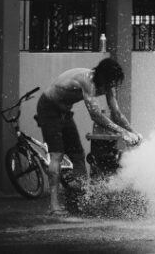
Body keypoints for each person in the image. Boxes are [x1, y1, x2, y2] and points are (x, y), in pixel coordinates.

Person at [36, 57, 143, 215]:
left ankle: (79, 199)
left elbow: (116, 113)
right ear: (102, 77)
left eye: (114, 83)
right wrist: (122, 132)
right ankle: (54, 206)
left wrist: (132, 132)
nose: (112, 86)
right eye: (110, 82)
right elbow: (96, 116)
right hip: (48, 108)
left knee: (78, 154)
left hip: (65, 110)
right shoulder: (88, 81)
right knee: (57, 155)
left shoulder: (108, 84)